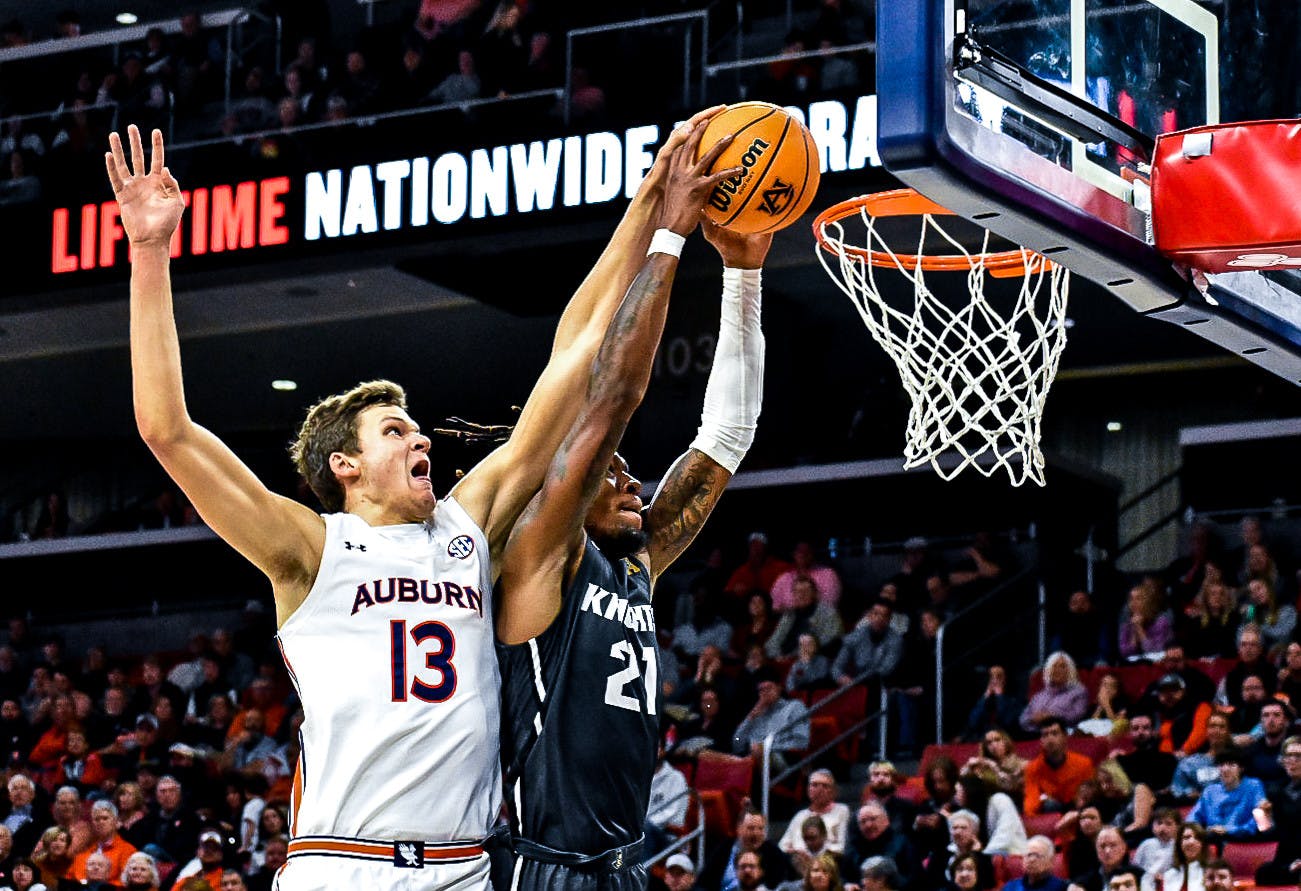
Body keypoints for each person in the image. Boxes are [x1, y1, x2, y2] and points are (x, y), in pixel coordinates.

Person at [106, 106, 730, 891]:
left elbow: (572, 353)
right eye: (395, 432)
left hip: (465, 870)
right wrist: (151, 251)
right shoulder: (309, 550)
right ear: (346, 465)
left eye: (416, 430)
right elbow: (167, 429)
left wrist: (648, 202)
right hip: (344, 865)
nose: (421, 440)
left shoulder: (467, 525)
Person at [493, 123, 759, 888]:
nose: (634, 481)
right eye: (612, 473)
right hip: (548, 869)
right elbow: (610, 396)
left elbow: (726, 439)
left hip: (623, 868)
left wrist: (742, 274)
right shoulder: (542, 555)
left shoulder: (632, 563)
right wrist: (669, 234)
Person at [1185, 749, 1266, 839]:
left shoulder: (1253, 786)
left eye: (1231, 765)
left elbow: (1260, 819)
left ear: (1241, 768)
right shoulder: (1210, 791)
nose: (1225, 769)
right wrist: (1201, 832)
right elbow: (1192, 819)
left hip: (1242, 841)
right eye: (1221, 765)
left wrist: (1230, 830)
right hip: (1212, 840)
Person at [702, 810, 791, 891]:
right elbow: (703, 882)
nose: (756, 833)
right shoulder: (725, 848)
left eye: (760, 829)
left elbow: (780, 885)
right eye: (751, 828)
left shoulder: (774, 854)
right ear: (739, 829)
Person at [1254, 734, 1301, 887]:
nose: (1292, 761)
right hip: (1285, 858)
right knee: (1262, 873)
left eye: (1298, 756)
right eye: (1288, 756)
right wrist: (1264, 817)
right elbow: (1266, 832)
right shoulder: (1276, 790)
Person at [1025, 718, 1096, 815]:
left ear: (1065, 736)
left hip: (1078, 811)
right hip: (1050, 813)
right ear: (1041, 740)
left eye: (1054, 733)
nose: (1050, 739)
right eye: (1045, 735)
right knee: (1050, 805)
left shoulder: (1084, 763)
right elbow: (1031, 803)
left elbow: (1090, 796)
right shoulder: (1032, 768)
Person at [779, 771, 851, 859]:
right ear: (808, 790)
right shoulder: (800, 815)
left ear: (833, 791)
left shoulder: (842, 811)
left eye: (825, 786)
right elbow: (782, 846)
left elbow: (842, 846)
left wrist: (811, 855)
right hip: (798, 863)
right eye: (814, 785)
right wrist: (796, 852)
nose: (819, 789)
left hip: (827, 862)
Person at [832, 600, 902, 688]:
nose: (879, 618)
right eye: (876, 614)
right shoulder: (856, 636)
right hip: (855, 685)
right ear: (869, 615)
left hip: (882, 685)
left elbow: (885, 670)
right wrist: (840, 677)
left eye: (884, 615)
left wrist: (856, 681)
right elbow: (836, 667)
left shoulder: (896, 640)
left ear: (889, 619)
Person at [1020, 654, 1088, 732]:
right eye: (1054, 666)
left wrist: (1052, 716)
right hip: (1035, 735)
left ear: (1070, 671)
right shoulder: (1039, 695)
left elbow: (1077, 716)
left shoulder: (1079, 692)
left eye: (1062, 666)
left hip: (1065, 735)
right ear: (1048, 670)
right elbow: (1023, 719)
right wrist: (1032, 719)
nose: (1057, 670)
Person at [770, 543, 843, 611]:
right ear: (793, 554)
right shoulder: (783, 579)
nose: (803, 554)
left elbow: (829, 606)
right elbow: (774, 607)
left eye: (806, 551)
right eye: (799, 551)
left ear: (813, 553)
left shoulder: (828, 575)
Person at [1003, 836, 1069, 891]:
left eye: (1037, 855)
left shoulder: (1062, 887)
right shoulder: (1011, 887)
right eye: (1029, 855)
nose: (1032, 860)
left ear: (1051, 861)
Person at [1159, 823, 1209, 891]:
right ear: (1179, 844)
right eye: (1186, 837)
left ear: (1203, 845)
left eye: (1197, 838)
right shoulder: (1168, 876)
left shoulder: (1211, 875)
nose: (1191, 842)